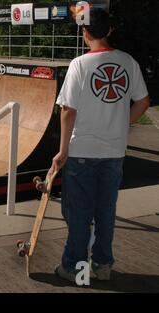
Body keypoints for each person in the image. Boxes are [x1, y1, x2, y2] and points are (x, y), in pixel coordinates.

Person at [51, 8, 150, 283]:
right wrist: (122, 124)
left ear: (85, 32)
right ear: (109, 31)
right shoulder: (128, 62)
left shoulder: (79, 65)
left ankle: (75, 270)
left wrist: (62, 152)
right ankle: (102, 267)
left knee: (78, 214)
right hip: (114, 153)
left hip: (82, 153)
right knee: (105, 213)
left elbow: (67, 111)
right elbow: (143, 102)